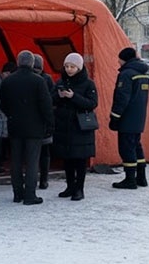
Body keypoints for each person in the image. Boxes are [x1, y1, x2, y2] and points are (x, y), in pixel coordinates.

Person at [0, 50, 54, 206]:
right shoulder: (38, 81)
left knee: (15, 160)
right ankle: (30, 194)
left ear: (18, 62)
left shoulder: (8, 81)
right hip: (35, 127)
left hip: (15, 125)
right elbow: (46, 105)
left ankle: (17, 193)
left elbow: (2, 102)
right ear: (32, 63)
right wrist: (49, 123)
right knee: (32, 161)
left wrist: (11, 115)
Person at [53, 53, 98, 201]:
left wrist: (74, 97)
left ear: (79, 67)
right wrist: (59, 96)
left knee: (79, 159)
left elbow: (92, 103)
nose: (69, 69)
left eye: (72, 67)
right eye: (67, 66)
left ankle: (79, 189)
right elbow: (51, 99)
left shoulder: (88, 84)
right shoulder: (61, 82)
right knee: (67, 159)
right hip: (64, 126)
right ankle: (70, 186)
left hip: (80, 127)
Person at [109, 47, 149, 189]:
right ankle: (141, 177)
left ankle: (130, 180)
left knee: (126, 149)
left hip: (127, 119)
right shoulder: (143, 74)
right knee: (136, 147)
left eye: (119, 59)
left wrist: (115, 116)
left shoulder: (126, 74)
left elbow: (122, 98)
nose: (118, 62)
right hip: (138, 118)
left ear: (124, 59)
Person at [33, 54, 55, 189]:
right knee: (45, 152)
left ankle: (32, 179)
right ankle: (44, 179)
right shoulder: (47, 79)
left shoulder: (24, 77)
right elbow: (51, 99)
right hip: (44, 121)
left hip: (29, 121)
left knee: (31, 152)